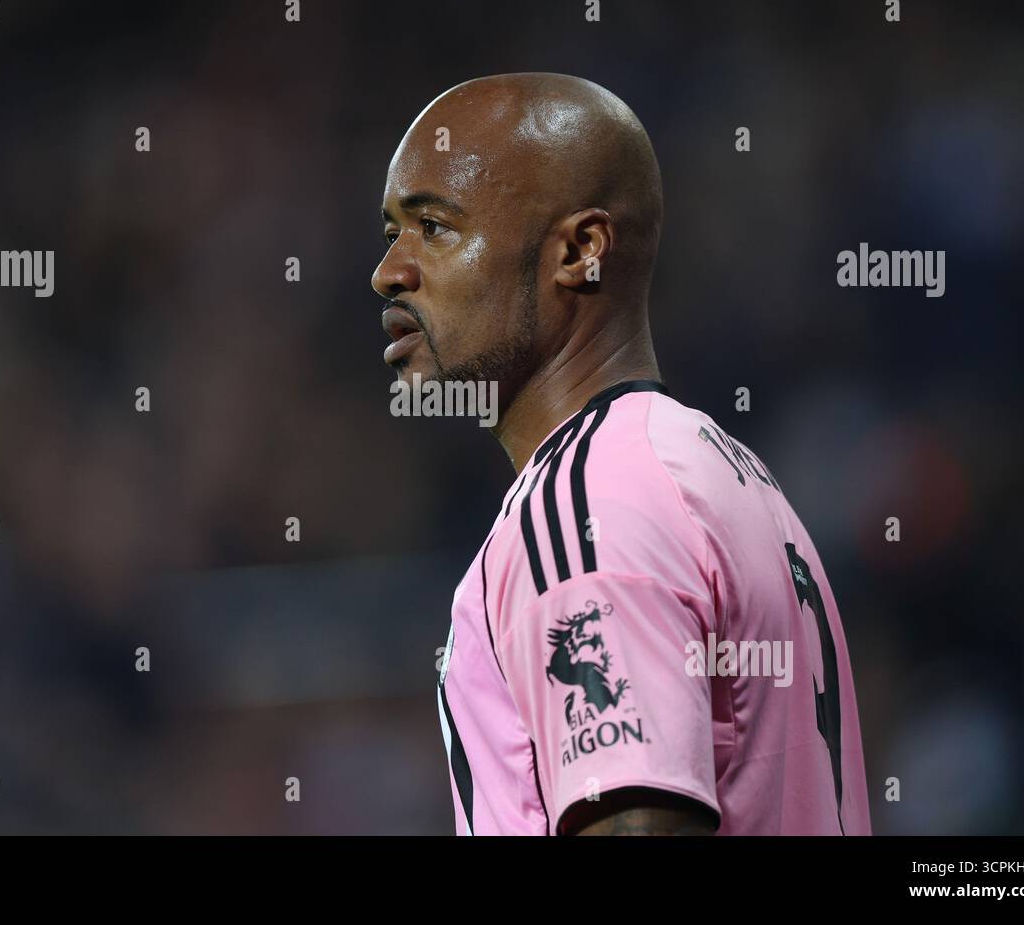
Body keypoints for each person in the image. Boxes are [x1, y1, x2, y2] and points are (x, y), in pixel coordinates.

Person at [373, 73, 870, 835]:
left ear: (580, 250)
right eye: (391, 234)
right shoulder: (724, 474)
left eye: (434, 227)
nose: (390, 273)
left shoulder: (588, 505)